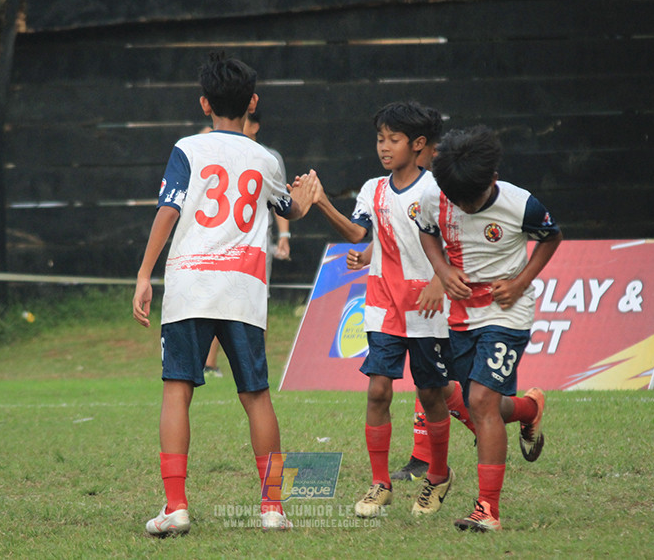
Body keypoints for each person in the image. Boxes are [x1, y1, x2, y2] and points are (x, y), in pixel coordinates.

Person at [132, 52, 317, 535]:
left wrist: (144, 274)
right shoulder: (265, 158)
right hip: (244, 290)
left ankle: (176, 507)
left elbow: (168, 212)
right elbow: (287, 209)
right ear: (252, 102)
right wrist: (301, 201)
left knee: (177, 391)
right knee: (256, 396)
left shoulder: (187, 149)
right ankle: (273, 508)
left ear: (203, 104)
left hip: (191, 285)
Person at [308, 100, 456, 518]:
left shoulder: (436, 190)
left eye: (394, 139)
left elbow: (451, 244)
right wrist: (321, 202)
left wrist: (437, 281)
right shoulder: (373, 188)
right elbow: (359, 233)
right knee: (377, 390)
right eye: (379, 138)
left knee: (431, 395)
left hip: (426, 309)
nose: (384, 147)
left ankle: (439, 474)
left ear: (419, 144)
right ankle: (380, 483)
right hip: (383, 304)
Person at [415, 125, 561, 532]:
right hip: (461, 313)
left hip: (506, 310)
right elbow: (427, 233)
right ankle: (530, 408)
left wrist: (520, 282)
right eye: (456, 199)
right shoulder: (434, 195)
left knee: (479, 401)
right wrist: (442, 271)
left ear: (492, 179)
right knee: (485, 406)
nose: (463, 205)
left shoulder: (521, 205)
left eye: (471, 199)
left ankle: (488, 511)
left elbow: (551, 237)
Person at [204, 109, 291, 378]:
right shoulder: (217, 150)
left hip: (257, 244)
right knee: (218, 301)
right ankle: (209, 364)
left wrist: (284, 237)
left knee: (255, 303)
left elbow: (281, 201)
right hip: (222, 241)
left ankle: (255, 365)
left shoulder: (268, 157)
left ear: (255, 126)